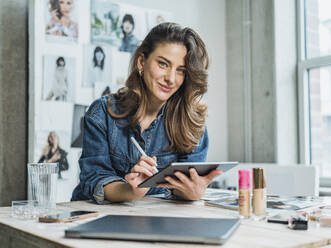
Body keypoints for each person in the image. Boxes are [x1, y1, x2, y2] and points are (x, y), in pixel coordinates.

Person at [71, 22, 222, 204]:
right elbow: (94, 178)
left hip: (158, 223)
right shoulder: (102, 113)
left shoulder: (192, 121)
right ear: (141, 61)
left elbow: (185, 187)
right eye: (163, 64)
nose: (171, 79)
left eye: (181, 70)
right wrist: (131, 191)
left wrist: (192, 192)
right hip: (97, 218)